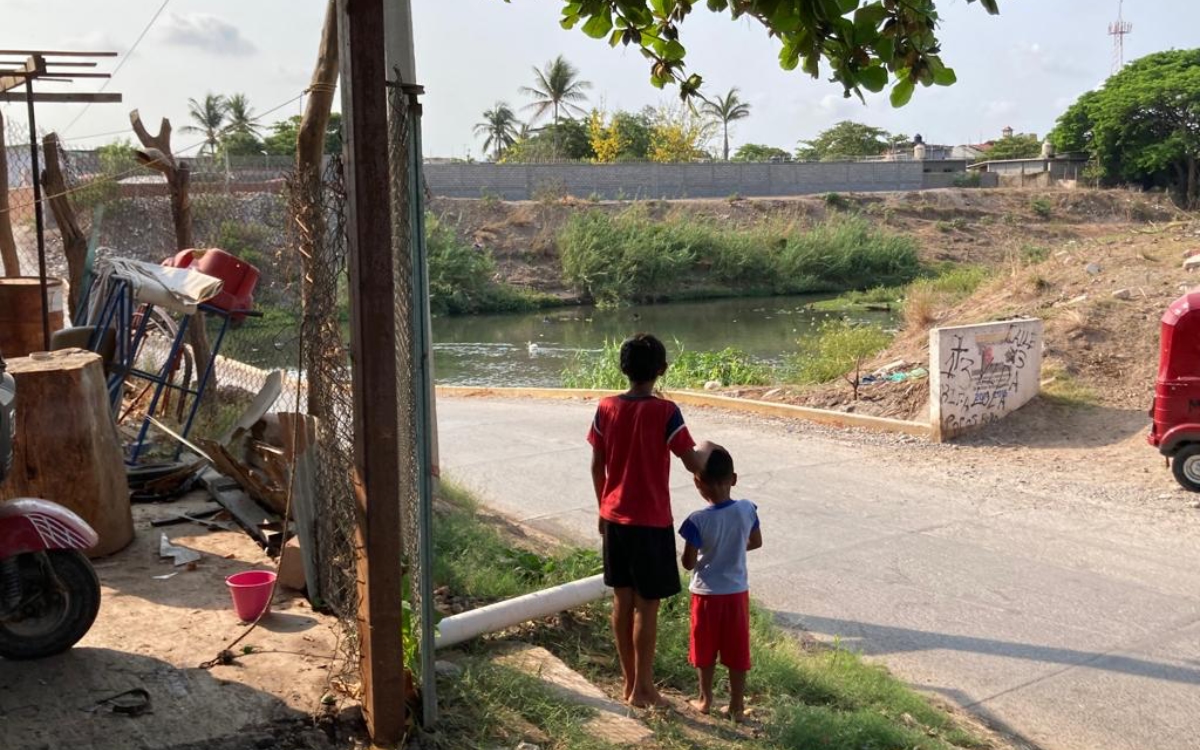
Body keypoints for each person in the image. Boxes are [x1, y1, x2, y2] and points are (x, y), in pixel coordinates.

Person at [588, 333, 705, 709]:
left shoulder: (606, 408)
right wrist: (713, 459)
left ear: (623, 368)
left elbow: (597, 464)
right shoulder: (665, 411)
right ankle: (644, 688)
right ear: (662, 370)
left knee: (622, 600)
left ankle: (628, 684)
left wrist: (602, 507)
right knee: (647, 605)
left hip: (614, 517)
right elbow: (690, 459)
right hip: (650, 521)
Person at [679, 445, 762, 721]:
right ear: (733, 478)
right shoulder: (748, 509)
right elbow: (756, 542)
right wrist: (733, 548)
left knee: (704, 647)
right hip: (736, 593)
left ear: (697, 483)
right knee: (737, 647)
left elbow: (688, 563)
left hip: (705, 594)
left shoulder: (696, 520)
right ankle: (737, 705)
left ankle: (705, 699)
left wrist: (708, 551)